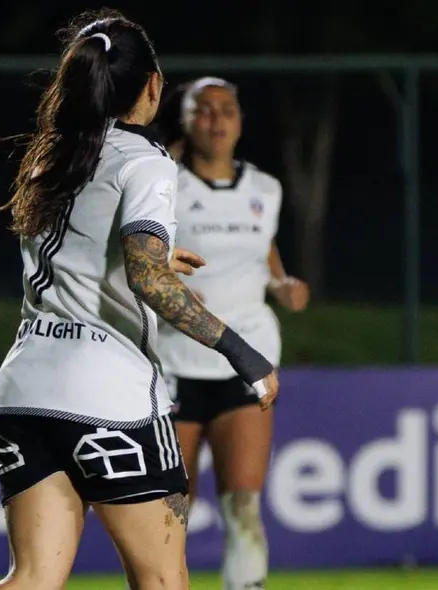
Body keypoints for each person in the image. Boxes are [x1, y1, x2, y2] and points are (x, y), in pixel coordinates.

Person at [0, 10, 278, 590]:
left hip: (23, 392)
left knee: (32, 579)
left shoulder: (49, 155)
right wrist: (243, 353)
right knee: (164, 582)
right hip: (107, 396)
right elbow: (148, 281)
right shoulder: (147, 162)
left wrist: (149, 260)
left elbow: (82, 249)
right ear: (153, 84)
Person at [155, 76, 309, 590]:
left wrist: (284, 284)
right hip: (175, 361)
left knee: (243, 502)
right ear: (185, 119)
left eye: (227, 110)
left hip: (247, 357)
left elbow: (265, 258)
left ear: (241, 122)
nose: (216, 120)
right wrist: (167, 283)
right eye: (204, 109)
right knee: (172, 507)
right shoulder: (163, 183)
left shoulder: (266, 189)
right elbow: (137, 258)